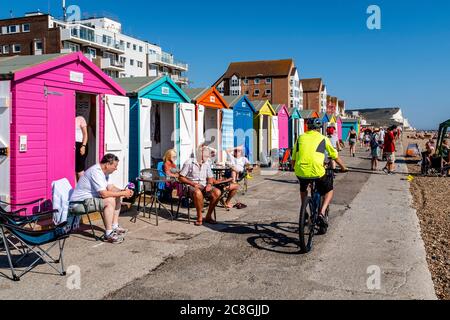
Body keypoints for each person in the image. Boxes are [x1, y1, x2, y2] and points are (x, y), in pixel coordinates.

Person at [291, 118, 347, 229]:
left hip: (300, 170)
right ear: (319, 128)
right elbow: (334, 156)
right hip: (317, 171)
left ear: (308, 127)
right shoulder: (323, 138)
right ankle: (321, 213)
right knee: (329, 190)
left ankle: (304, 210)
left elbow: (293, 158)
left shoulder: (300, 138)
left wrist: (296, 168)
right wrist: (343, 167)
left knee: (303, 188)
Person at [70, 154, 133, 244]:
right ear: (107, 164)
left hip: (89, 201)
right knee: (110, 200)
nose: (116, 169)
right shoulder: (96, 171)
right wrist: (123, 193)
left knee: (117, 196)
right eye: (115, 166)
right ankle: (109, 234)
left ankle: (114, 226)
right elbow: (103, 194)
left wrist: (124, 191)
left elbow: (111, 188)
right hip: (78, 203)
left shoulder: (106, 173)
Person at [178, 146, 222, 226]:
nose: (208, 157)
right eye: (206, 155)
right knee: (197, 192)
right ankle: (199, 217)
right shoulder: (189, 162)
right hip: (190, 187)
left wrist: (209, 184)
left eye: (207, 155)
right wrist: (193, 184)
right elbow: (181, 177)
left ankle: (208, 216)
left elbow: (210, 177)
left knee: (217, 192)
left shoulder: (207, 163)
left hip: (204, 186)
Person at [75, 114, 89, 181]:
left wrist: (83, 146)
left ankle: (83, 187)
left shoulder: (80, 118)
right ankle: (74, 188)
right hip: (72, 146)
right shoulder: (67, 120)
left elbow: (85, 134)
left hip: (81, 145)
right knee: (73, 169)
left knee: (80, 169)